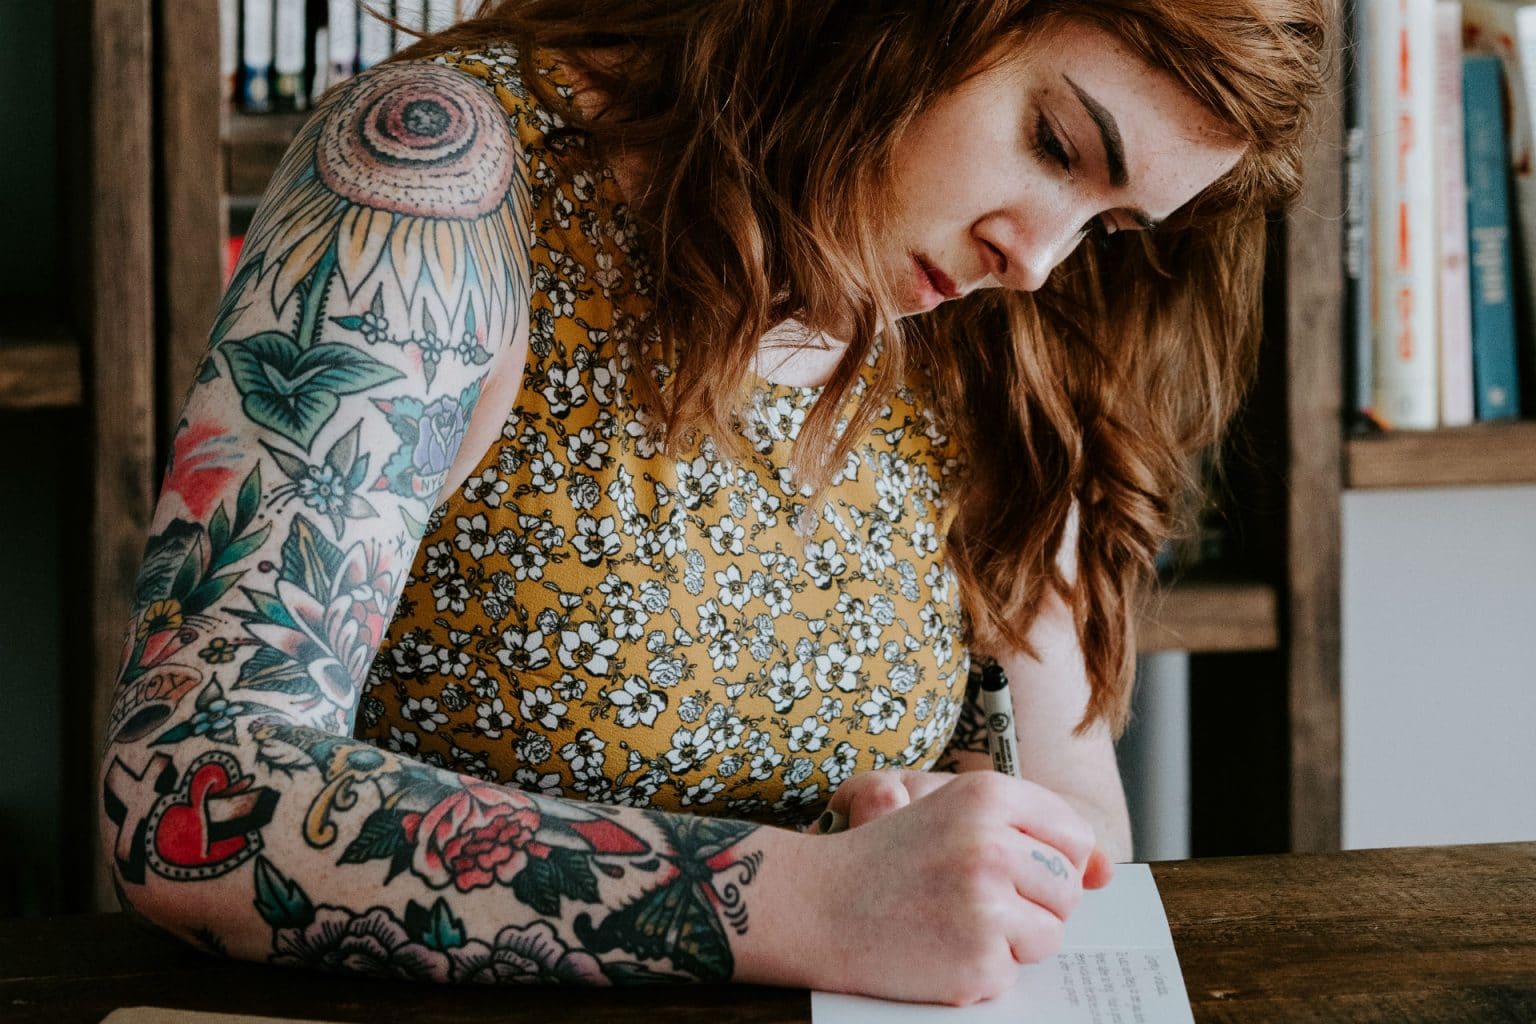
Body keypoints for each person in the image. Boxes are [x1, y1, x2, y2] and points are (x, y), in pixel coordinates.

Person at [96, 0, 1329, 1007]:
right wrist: (810, 900)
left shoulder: (995, 327)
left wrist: (971, 853)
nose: (1042, 257)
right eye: (1055, 144)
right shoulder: (444, 179)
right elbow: (191, 794)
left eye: (1107, 224)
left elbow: (1079, 830)